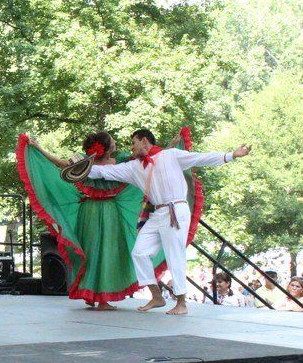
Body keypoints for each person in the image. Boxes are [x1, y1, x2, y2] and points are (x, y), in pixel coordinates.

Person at [86, 128, 251, 315]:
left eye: (134, 142)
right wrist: (78, 169)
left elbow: (200, 158)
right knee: (139, 252)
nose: (131, 147)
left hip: (175, 209)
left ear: (145, 141)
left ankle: (182, 303)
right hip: (157, 214)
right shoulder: (133, 167)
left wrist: (232, 155)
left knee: (175, 254)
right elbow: (103, 172)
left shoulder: (171, 155)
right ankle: (156, 296)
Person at [18, 132, 144, 309]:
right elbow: (146, 156)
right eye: (112, 140)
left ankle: (92, 295)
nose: (115, 141)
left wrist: (40, 148)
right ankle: (102, 300)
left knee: (92, 251)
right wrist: (38, 148)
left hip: (90, 210)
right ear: (106, 147)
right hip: (107, 211)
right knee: (105, 251)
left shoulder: (91, 161)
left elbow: (61, 163)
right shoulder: (115, 159)